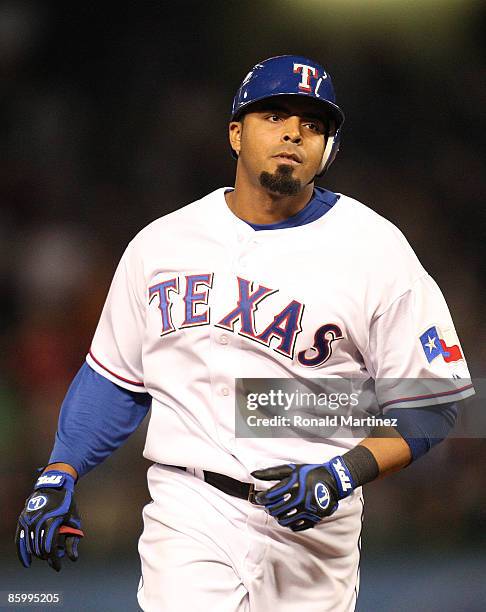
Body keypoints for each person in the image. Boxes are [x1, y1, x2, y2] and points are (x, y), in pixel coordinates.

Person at [16, 55, 474, 611]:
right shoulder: (162, 245)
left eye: (313, 125)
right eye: (275, 116)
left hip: (316, 530)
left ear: (327, 149)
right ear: (236, 133)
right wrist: (61, 469)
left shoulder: (376, 249)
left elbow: (431, 401)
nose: (293, 133)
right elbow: (116, 377)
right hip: (190, 510)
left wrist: (341, 471)